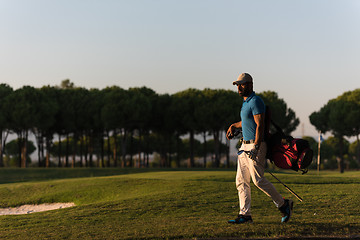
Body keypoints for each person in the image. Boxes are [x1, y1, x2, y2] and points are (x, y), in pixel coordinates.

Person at [226, 73, 293, 224]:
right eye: (237, 84)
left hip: (256, 145)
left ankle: (283, 205)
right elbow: (245, 122)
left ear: (250, 84)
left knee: (258, 180)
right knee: (241, 181)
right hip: (244, 145)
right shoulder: (246, 103)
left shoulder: (256, 101)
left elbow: (260, 125)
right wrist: (233, 126)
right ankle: (245, 215)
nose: (239, 87)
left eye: (242, 84)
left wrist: (256, 146)